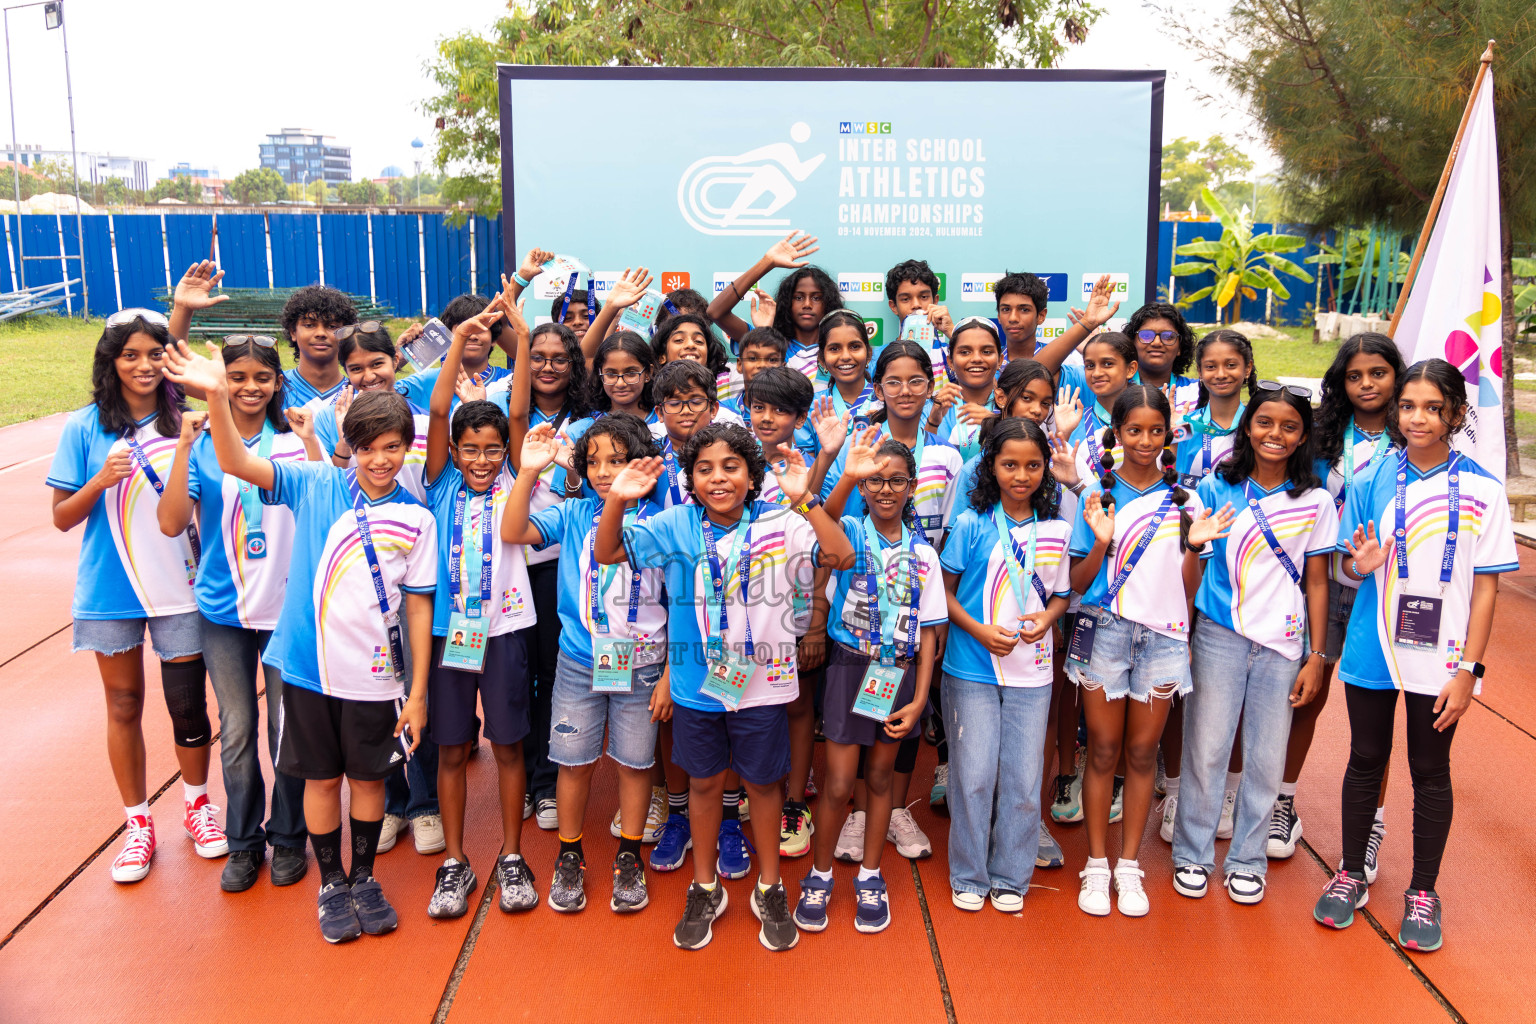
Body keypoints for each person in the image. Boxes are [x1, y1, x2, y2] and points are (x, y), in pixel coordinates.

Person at [164, 342, 436, 946]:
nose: (381, 459)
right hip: (309, 673)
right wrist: (214, 395)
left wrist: (416, 692)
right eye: (368, 447)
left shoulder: (419, 520)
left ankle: (364, 878)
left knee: (368, 783)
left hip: (377, 680)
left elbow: (418, 608)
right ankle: (331, 883)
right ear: (350, 447)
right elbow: (237, 463)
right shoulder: (314, 482)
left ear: (408, 446)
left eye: (394, 446)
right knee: (320, 781)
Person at [593, 423, 855, 952]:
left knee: (762, 786)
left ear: (753, 475)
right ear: (689, 477)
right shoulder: (675, 523)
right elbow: (607, 553)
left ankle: (769, 886)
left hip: (762, 686)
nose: (718, 478)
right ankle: (706, 886)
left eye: (731, 467)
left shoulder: (781, 520)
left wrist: (804, 496)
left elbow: (841, 555)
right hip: (696, 686)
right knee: (706, 785)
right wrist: (618, 500)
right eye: (705, 468)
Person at [1313, 359, 1516, 953]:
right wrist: (1361, 567)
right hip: (1375, 643)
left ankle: (1423, 892)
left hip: (1445, 656)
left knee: (1430, 770)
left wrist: (1468, 671)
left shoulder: (1483, 487)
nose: (1417, 418)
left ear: (1455, 413)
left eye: (1432, 407)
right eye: (1407, 407)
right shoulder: (1374, 475)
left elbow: (1485, 590)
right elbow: (1348, 563)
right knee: (1365, 758)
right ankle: (1351, 871)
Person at [48, 308, 224, 884]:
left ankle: (197, 806)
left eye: (154, 354)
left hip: (180, 588)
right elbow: (61, 519)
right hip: (111, 591)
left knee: (187, 706)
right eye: (130, 355)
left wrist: (185, 315)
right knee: (123, 704)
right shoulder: (84, 427)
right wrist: (99, 481)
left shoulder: (189, 424)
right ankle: (137, 822)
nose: (144, 365)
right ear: (111, 362)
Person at [156, 334, 320, 893]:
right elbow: (172, 522)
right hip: (223, 612)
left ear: (278, 382)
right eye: (237, 377)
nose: (250, 387)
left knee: (285, 730)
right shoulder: (203, 442)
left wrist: (316, 443)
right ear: (220, 382)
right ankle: (245, 842)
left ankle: (290, 837)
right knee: (237, 731)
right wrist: (181, 449)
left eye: (261, 378)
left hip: (285, 612)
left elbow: (324, 508)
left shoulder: (294, 441)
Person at [1171, 383, 1334, 905]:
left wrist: (1316, 654)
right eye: (1264, 423)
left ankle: (1247, 858)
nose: (1275, 435)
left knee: (1265, 757)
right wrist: (1195, 541)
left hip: (1284, 645)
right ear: (1248, 427)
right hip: (1220, 633)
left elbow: (1318, 581)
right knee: (1207, 748)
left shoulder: (1316, 499)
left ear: (1303, 434)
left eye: (1289, 426)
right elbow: (1192, 553)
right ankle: (1192, 854)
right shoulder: (1218, 485)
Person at [504, 413, 673, 914]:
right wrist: (530, 471)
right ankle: (570, 855)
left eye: (616, 460)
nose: (603, 471)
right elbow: (514, 530)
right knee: (573, 763)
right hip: (580, 660)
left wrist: (667, 673)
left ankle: (628, 856)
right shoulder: (575, 513)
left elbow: (683, 602)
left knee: (636, 763)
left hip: (643, 665)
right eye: (594, 460)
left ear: (642, 462)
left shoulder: (665, 522)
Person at [1068, 385, 1216, 918]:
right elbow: (1078, 579)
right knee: (1103, 750)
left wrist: (1196, 546)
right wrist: (1103, 541)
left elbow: (1190, 587)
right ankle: (1096, 865)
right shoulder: (1098, 493)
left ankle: (1130, 867)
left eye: (1156, 431)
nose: (1145, 441)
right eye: (1134, 430)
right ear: (1117, 432)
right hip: (1103, 630)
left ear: (1170, 434)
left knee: (1141, 754)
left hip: (1164, 637)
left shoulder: (1187, 502)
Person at [419, 302, 542, 919]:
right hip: (448, 633)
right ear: (453, 449)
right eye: (471, 448)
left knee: (511, 744)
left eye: (492, 449)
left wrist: (519, 341)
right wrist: (458, 344)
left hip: (507, 629)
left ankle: (514, 856)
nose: (483, 459)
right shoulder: (439, 482)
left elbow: (518, 412)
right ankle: (455, 862)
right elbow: (439, 408)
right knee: (449, 748)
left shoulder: (516, 477)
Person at [795, 438, 942, 932]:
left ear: (912, 487)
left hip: (898, 674)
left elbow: (927, 631)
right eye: (875, 480)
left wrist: (921, 697)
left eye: (896, 480)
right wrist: (849, 475)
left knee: (881, 778)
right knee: (838, 784)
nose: (885, 489)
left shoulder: (924, 554)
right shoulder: (851, 531)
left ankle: (871, 875)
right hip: (848, 667)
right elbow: (821, 527)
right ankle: (818, 876)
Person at [1271, 333, 1405, 866]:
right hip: (1323, 584)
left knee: (1375, 709)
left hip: (1386, 590)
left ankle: (1370, 821)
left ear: (1397, 376)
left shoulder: (1412, 435)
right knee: (1307, 692)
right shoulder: (1322, 436)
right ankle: (1282, 800)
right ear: (1340, 383)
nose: (1367, 384)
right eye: (1355, 376)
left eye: (1378, 373)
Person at [312, 320, 443, 853]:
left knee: (417, 689)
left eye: (377, 363)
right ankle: (390, 800)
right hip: (360, 585)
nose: (368, 375)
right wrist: (344, 439)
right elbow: (333, 484)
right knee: (374, 699)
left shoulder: (422, 408)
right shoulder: (330, 420)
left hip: (415, 563)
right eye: (356, 368)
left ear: (398, 360)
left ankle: (425, 800)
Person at [937, 418, 1073, 912]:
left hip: (1032, 673)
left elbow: (1061, 595)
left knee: (1021, 777)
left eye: (1033, 465)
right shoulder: (972, 523)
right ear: (990, 467)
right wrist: (977, 630)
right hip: (970, 666)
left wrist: (1049, 619)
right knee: (972, 775)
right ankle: (970, 875)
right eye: (1009, 464)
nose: (1022, 474)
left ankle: (1012, 876)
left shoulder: (1057, 528)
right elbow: (944, 594)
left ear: (1045, 470)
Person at [1159, 327, 1255, 845]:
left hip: (1245, 566)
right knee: (1179, 682)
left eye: (1230, 365)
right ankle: (1176, 789)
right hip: (1183, 558)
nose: (1220, 374)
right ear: (1198, 371)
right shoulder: (1181, 426)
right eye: (1210, 365)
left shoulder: (1258, 424)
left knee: (1232, 688)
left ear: (1246, 368)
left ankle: (1229, 790)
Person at [394, 293, 515, 410]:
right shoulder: (424, 381)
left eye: (480, 329)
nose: (472, 336)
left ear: (494, 339)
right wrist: (399, 358)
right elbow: (379, 398)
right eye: (464, 329)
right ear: (446, 336)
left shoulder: (508, 381)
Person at [927, 316, 1004, 462]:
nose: (976, 358)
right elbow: (919, 465)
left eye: (986, 352)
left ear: (1000, 360)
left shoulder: (1013, 407)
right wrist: (932, 422)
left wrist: (999, 424)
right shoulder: (930, 409)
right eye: (965, 352)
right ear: (950, 362)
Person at [279, 285, 357, 408]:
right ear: (293, 332)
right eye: (309, 325)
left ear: (345, 334)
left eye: (332, 326)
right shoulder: (276, 387)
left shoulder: (358, 391)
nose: (320, 333)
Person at [814, 310, 879, 424]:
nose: (845, 356)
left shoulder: (887, 401)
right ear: (822, 359)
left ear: (868, 354)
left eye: (854, 346)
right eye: (834, 349)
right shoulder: (812, 408)